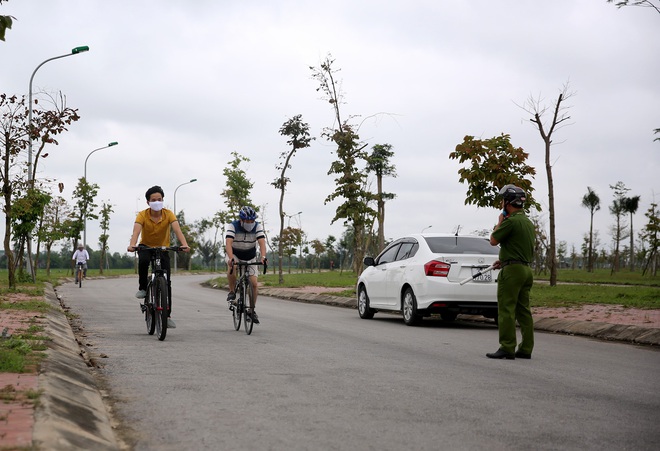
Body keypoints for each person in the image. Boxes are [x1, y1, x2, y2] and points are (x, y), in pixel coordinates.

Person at [127, 185, 190, 329]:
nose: (157, 202)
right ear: (148, 202)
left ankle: (167, 316)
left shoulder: (169, 214)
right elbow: (136, 231)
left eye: (159, 199)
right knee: (143, 261)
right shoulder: (142, 215)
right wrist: (132, 244)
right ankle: (143, 288)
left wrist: (184, 244)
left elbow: (177, 230)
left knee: (167, 282)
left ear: (163, 200)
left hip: (163, 248)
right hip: (146, 247)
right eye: (153, 200)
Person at [486, 184, 536, 360]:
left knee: (506, 309)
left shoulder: (510, 221)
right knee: (523, 311)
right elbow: (520, 247)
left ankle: (507, 347)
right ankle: (526, 348)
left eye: (503, 200)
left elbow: (493, 240)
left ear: (508, 202)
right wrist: (505, 259)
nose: (501, 203)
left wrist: (500, 220)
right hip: (525, 270)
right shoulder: (528, 223)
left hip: (512, 273)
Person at [225, 206, 267, 324]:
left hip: (250, 256)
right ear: (241, 220)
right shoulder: (233, 225)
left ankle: (251, 310)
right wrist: (231, 258)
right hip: (235, 254)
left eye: (252, 221)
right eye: (247, 221)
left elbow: (262, 243)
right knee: (232, 266)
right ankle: (232, 291)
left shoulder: (257, 226)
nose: (250, 223)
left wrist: (263, 257)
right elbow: (228, 243)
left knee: (253, 284)